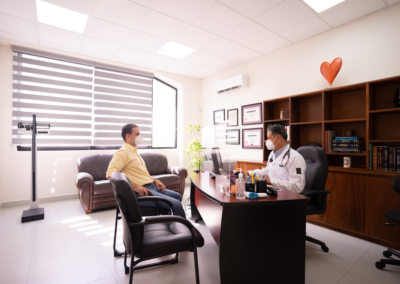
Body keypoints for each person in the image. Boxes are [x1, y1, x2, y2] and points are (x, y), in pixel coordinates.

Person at [106, 123, 186, 218]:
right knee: (176, 204)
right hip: (141, 192)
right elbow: (110, 174)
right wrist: (135, 186)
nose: (140, 137)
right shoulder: (122, 153)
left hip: (151, 186)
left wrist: (154, 180)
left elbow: (141, 174)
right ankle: (186, 230)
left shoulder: (134, 152)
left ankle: (167, 221)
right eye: (137, 134)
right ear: (128, 136)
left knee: (178, 196)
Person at [247, 124, 306, 194]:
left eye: (269, 138)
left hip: (289, 198)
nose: (267, 141)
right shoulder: (272, 154)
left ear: (278, 138)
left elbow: (297, 187)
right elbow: (267, 171)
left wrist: (271, 181)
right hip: (274, 193)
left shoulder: (295, 157)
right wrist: (250, 173)